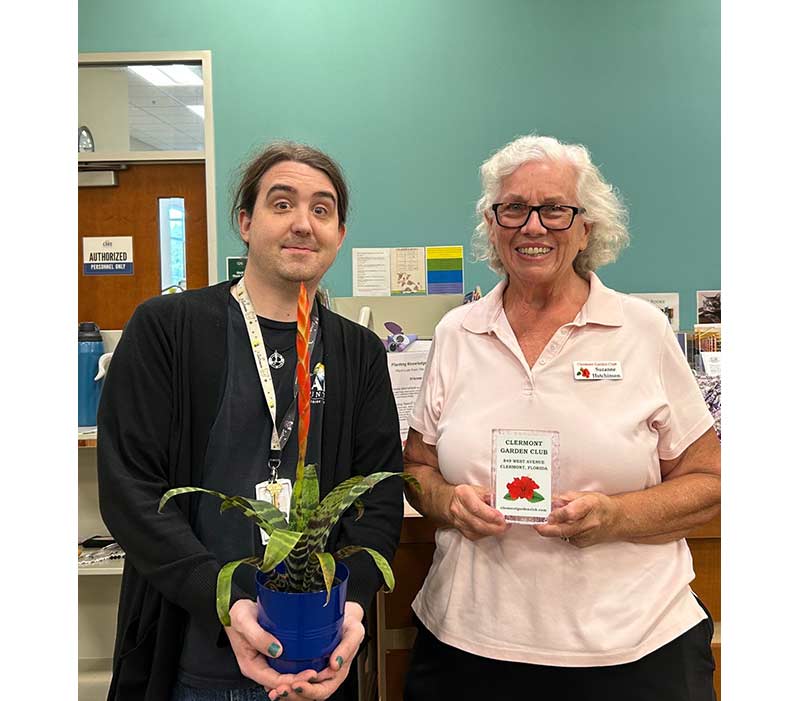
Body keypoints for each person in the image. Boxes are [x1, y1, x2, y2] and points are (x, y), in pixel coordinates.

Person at [402, 134, 720, 700]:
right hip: (468, 645)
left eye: (554, 209)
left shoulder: (641, 330)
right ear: (492, 225)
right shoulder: (457, 333)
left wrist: (615, 516)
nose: (533, 226)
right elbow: (417, 467)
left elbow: (711, 480)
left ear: (586, 228)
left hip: (633, 647)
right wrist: (447, 501)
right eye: (514, 209)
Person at [97, 142, 404, 701]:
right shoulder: (167, 329)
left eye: (322, 209)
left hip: (318, 654)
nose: (303, 223)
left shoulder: (358, 352)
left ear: (338, 233)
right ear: (245, 221)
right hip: (193, 655)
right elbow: (129, 490)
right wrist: (225, 598)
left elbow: (378, 500)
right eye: (281, 204)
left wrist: (353, 606)